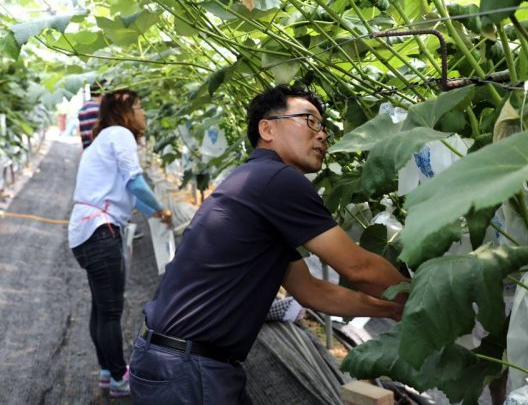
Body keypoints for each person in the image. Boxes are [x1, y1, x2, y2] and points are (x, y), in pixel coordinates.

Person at [129, 85, 408, 404]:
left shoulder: (255, 181)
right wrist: (419, 298)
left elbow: (313, 291)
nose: (322, 135)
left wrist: (390, 308)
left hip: (177, 362)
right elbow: (358, 267)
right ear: (267, 128)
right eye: (309, 120)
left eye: (324, 127)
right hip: (188, 370)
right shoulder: (279, 180)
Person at [68, 90, 172, 398]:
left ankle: (106, 373)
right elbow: (136, 183)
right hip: (101, 230)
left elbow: (128, 186)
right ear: (124, 113)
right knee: (111, 311)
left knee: (101, 309)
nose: (143, 113)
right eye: (139, 107)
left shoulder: (101, 140)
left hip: (85, 232)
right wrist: (161, 210)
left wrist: (153, 209)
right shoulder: (120, 134)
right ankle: (118, 378)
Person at [77, 82, 103, 149]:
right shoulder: (98, 108)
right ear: (102, 92)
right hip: (97, 149)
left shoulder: (83, 108)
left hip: (87, 149)